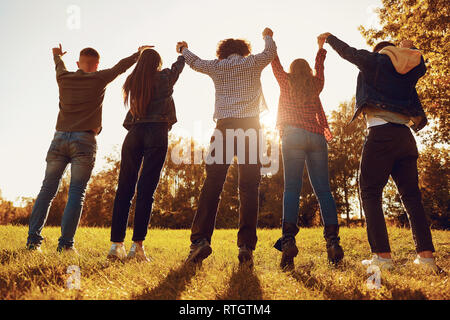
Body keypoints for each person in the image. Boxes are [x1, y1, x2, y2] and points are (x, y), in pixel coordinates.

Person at [320, 32, 439, 272]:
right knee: (412, 197)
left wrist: (330, 38)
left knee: (370, 193)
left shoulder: (377, 61)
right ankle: (427, 259)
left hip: (380, 134)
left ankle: (382, 258)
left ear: (379, 51)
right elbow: (418, 62)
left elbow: (350, 53)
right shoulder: (406, 71)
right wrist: (409, 48)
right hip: (405, 137)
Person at [27, 44, 142, 254]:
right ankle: (66, 245)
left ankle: (33, 243)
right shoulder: (99, 78)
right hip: (84, 141)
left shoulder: (64, 78)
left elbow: (58, 66)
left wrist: (56, 55)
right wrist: (138, 53)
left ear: (78, 64)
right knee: (76, 193)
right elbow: (120, 67)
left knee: (46, 191)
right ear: (97, 65)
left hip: (59, 138)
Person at [177, 27, 277, 267]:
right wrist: (267, 35)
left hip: (224, 127)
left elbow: (195, 62)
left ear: (222, 53)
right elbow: (270, 52)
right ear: (244, 51)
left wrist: (183, 49)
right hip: (251, 128)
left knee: (212, 184)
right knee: (249, 187)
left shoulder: (216, 67)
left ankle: (200, 240)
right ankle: (245, 246)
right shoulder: (253, 63)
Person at [271, 35, 343, 270]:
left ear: (293, 71)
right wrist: (321, 48)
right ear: (308, 72)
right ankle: (332, 242)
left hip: (292, 135)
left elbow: (275, 63)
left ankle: (289, 240)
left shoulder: (285, 81)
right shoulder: (316, 85)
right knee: (324, 191)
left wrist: (270, 39)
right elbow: (320, 68)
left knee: (292, 188)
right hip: (316, 136)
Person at [106, 46, 185, 262]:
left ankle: (115, 246)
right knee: (145, 191)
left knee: (124, 189)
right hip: (156, 133)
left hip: (134, 133)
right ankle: (137, 247)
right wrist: (182, 51)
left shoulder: (133, 79)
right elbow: (179, 66)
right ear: (158, 64)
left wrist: (137, 54)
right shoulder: (165, 77)